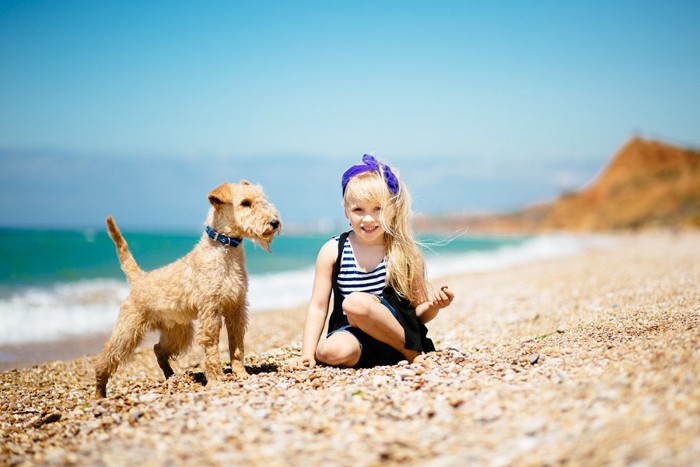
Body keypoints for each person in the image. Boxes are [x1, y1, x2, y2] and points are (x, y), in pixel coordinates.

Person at [294, 154, 454, 369]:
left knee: (355, 302)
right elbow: (318, 306)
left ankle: (411, 353)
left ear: (392, 210)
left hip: (399, 336)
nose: (368, 219)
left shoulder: (405, 252)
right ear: (346, 212)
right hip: (354, 336)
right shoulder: (333, 251)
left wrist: (435, 306)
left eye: (377, 209)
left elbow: (419, 315)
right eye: (358, 210)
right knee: (328, 351)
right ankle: (385, 357)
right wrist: (306, 354)